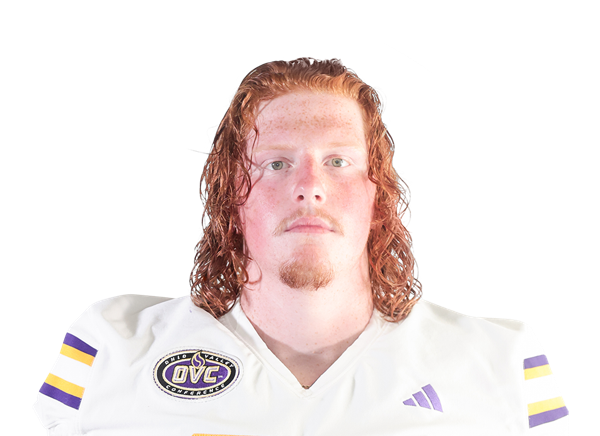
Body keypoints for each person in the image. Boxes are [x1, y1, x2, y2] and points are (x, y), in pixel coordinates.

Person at [33, 57, 568, 435]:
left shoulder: (501, 364)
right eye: (276, 163)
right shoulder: (113, 348)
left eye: (338, 161)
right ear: (232, 197)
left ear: (378, 195)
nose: (309, 186)